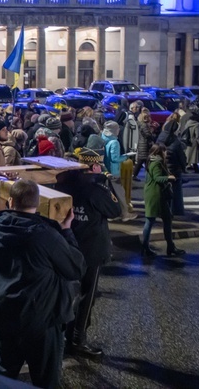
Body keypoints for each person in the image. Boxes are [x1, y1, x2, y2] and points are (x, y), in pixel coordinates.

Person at [0, 180, 85, 388]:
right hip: (40, 320)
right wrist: (67, 232)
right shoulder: (46, 235)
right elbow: (76, 267)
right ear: (38, 203)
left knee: (3, 375)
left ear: (10, 201)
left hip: (3, 315)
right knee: (45, 379)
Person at [55, 148, 122, 358]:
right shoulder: (96, 189)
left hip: (68, 246)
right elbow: (116, 210)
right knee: (86, 296)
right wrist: (105, 183)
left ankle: (62, 333)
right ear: (94, 166)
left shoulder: (65, 184)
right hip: (91, 250)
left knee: (66, 293)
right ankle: (78, 339)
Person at [141, 144, 185, 257]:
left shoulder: (152, 160)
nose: (166, 154)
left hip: (153, 194)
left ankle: (163, 247)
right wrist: (168, 178)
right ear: (160, 152)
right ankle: (165, 247)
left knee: (158, 219)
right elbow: (157, 178)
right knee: (153, 220)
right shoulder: (157, 163)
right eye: (164, 151)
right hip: (156, 195)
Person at [101, 121, 137, 221]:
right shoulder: (114, 142)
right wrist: (126, 157)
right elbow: (115, 158)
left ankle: (111, 215)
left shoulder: (102, 138)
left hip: (105, 170)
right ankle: (125, 214)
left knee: (110, 194)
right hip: (114, 171)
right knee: (120, 194)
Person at [133, 108, 157, 179]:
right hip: (144, 144)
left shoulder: (139, 124)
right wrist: (153, 134)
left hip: (141, 143)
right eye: (145, 117)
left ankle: (135, 175)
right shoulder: (144, 125)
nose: (147, 119)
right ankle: (151, 175)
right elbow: (148, 135)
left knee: (143, 160)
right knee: (145, 160)